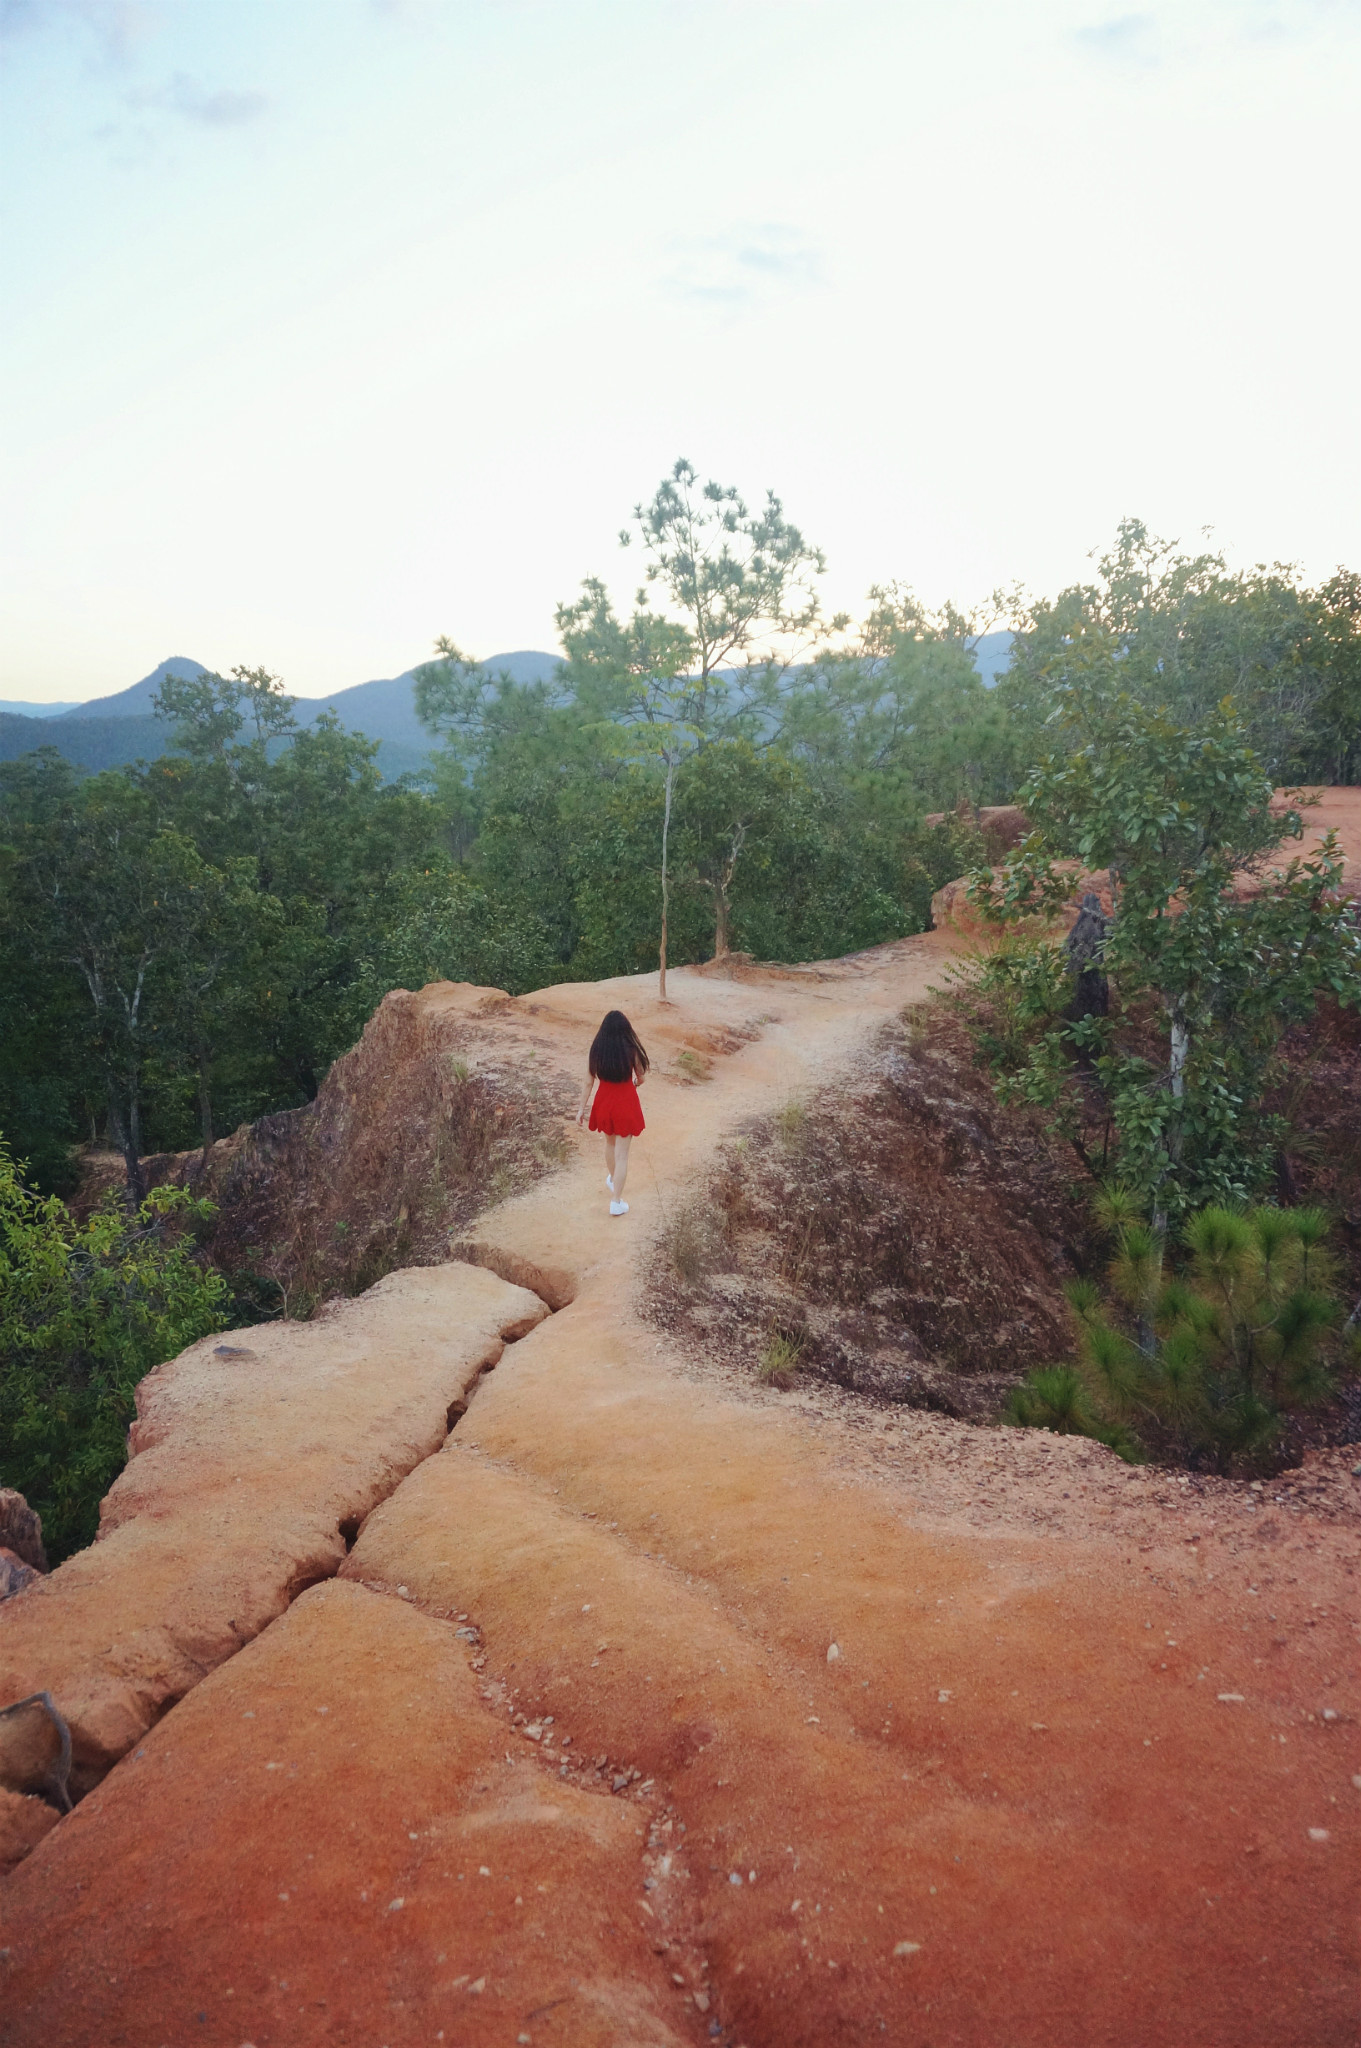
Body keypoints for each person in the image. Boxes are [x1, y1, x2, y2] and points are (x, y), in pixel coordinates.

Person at [577, 1009, 648, 1216]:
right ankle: (616, 1201)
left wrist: (581, 1109)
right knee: (623, 1155)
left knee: (610, 1144)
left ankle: (612, 1179)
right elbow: (641, 1076)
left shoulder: (597, 1050)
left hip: (605, 1102)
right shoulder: (631, 1049)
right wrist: (635, 1082)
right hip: (625, 1102)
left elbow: (588, 1081)